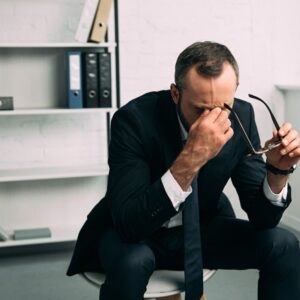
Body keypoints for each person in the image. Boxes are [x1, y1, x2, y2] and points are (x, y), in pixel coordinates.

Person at [67, 41, 300, 300]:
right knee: (132, 262)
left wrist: (277, 171)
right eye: (200, 109)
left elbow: (263, 219)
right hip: (138, 232)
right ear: (176, 94)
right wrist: (190, 157)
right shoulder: (134, 120)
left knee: (283, 245)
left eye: (223, 107)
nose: (211, 119)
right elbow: (129, 224)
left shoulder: (241, 116)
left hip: (201, 228)